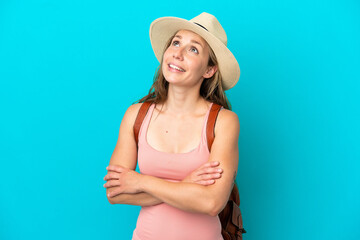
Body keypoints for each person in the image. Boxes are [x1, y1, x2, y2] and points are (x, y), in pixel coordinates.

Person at [103, 12, 241, 240]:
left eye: (193, 49)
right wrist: (185, 184)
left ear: (209, 70)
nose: (178, 53)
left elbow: (212, 202)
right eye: (176, 43)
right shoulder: (136, 115)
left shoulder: (223, 122)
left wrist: (141, 181)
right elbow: (115, 192)